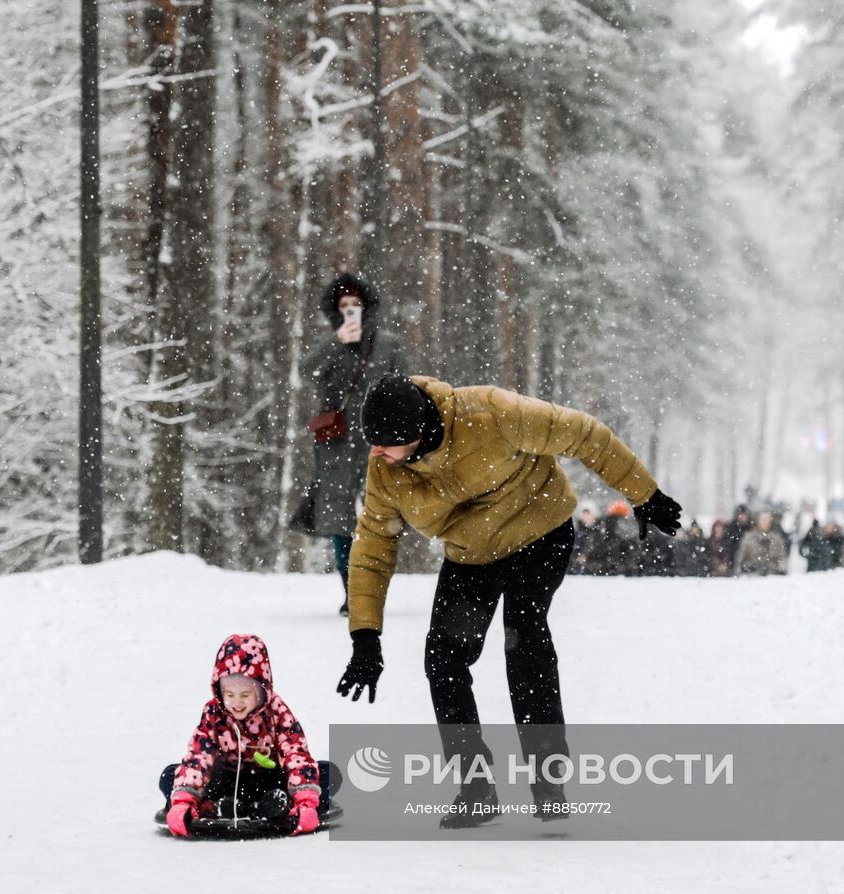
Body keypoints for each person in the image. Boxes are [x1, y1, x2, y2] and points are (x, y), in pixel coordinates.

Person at [336, 375, 681, 828]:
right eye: (373, 442)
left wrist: (645, 494)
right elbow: (373, 545)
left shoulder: (490, 412)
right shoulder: (385, 468)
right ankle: (475, 786)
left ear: (416, 431)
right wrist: (365, 636)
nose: (376, 452)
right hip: (471, 555)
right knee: (443, 658)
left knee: (523, 636)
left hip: (540, 532)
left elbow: (584, 434)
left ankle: (548, 779)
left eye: (385, 443)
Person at [160, 634, 341, 837]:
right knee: (170, 776)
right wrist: (183, 800)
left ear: (261, 691)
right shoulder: (214, 713)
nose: (237, 702)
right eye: (230, 695)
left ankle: (278, 804)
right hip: (227, 781)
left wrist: (305, 801)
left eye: (245, 695)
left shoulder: (276, 711)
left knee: (328, 773)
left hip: (270, 780)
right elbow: (199, 755)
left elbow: (295, 753)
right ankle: (217, 806)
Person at [302, 273, 408, 616]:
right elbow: (306, 372)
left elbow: (406, 388)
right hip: (336, 443)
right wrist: (337, 342)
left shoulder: (388, 344)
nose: (350, 310)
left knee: (380, 515)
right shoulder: (328, 344)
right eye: (344, 305)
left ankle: (372, 586)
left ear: (367, 307)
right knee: (339, 519)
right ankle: (351, 591)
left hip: (378, 442)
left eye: (355, 304)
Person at [735, 511, 788, 576]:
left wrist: (781, 568)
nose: (765, 523)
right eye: (763, 521)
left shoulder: (777, 538)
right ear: (758, 522)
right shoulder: (749, 537)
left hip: (772, 574)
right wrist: (741, 569)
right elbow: (740, 556)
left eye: (767, 521)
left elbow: (782, 556)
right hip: (752, 574)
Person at [572, 506, 599, 576]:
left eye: (588, 514)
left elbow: (601, 549)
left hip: (595, 568)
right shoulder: (577, 532)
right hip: (577, 567)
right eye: (584, 514)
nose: (586, 517)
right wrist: (578, 556)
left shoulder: (598, 532)